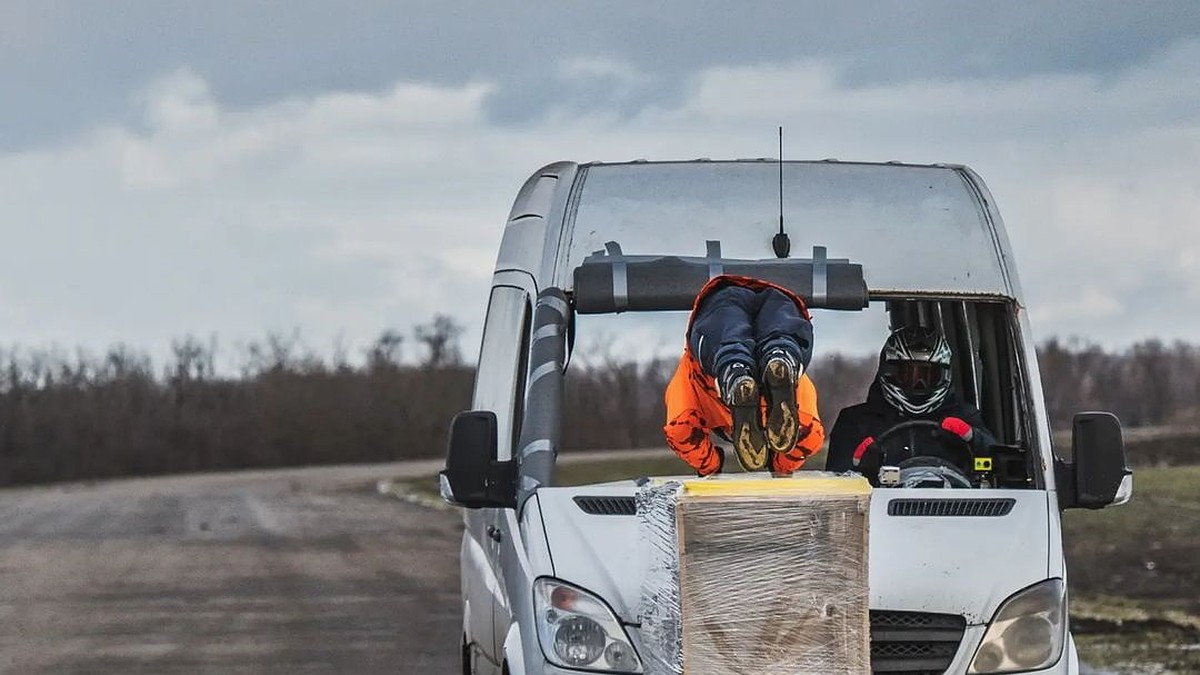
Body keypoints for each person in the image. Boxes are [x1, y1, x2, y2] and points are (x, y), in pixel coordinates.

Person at [664, 275, 825, 475]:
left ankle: (772, 358)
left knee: (777, 339)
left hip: (756, 299)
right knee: (728, 345)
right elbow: (680, 430)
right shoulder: (696, 392)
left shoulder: (798, 407)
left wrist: (712, 466)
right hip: (727, 304)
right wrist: (778, 467)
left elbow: (811, 435)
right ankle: (744, 367)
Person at [826, 326, 997, 483]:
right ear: (889, 372)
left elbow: (997, 464)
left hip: (954, 509)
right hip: (880, 510)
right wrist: (862, 470)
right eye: (909, 374)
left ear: (944, 375)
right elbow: (837, 486)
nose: (919, 384)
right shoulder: (856, 422)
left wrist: (974, 438)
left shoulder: (964, 416)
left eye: (928, 375)